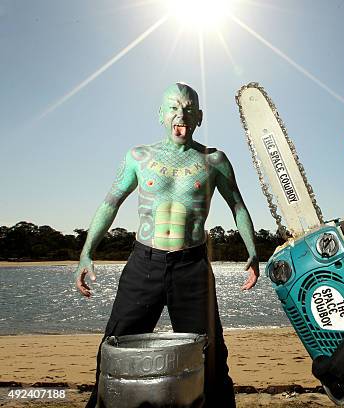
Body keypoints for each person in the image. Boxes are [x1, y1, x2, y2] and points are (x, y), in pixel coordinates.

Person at [75, 82, 259, 408]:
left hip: (193, 268)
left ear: (199, 116)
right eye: (173, 107)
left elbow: (238, 206)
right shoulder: (138, 157)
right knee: (114, 348)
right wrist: (87, 252)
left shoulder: (214, 160)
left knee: (212, 358)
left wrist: (253, 250)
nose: (181, 113)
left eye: (189, 108)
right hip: (144, 264)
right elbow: (111, 203)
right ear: (161, 114)